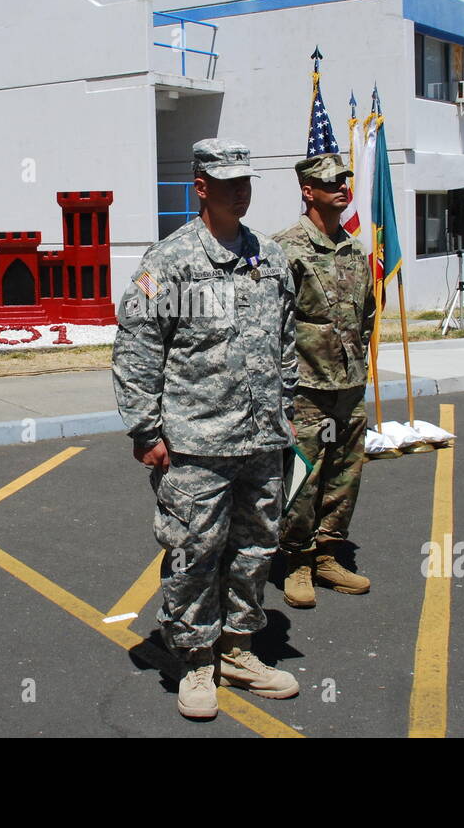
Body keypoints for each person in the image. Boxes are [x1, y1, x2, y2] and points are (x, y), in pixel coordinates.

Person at [112, 138, 300, 720]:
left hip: (263, 440)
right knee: (195, 550)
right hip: (196, 442)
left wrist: (285, 407)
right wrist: (146, 431)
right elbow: (137, 348)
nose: (239, 191)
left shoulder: (269, 257)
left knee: (254, 547)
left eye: (245, 182)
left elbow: (285, 341)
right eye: (226, 183)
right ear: (200, 187)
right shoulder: (171, 263)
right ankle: (194, 658)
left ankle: (239, 649)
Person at [273, 153, 376, 609]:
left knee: (344, 474)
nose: (341, 187)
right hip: (306, 391)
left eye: (344, 180)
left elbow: (367, 315)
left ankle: (329, 554)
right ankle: (296, 558)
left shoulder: (353, 248)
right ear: (308, 190)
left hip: (349, 389)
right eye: (331, 181)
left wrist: (358, 368)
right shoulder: (285, 249)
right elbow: (270, 323)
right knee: (303, 478)